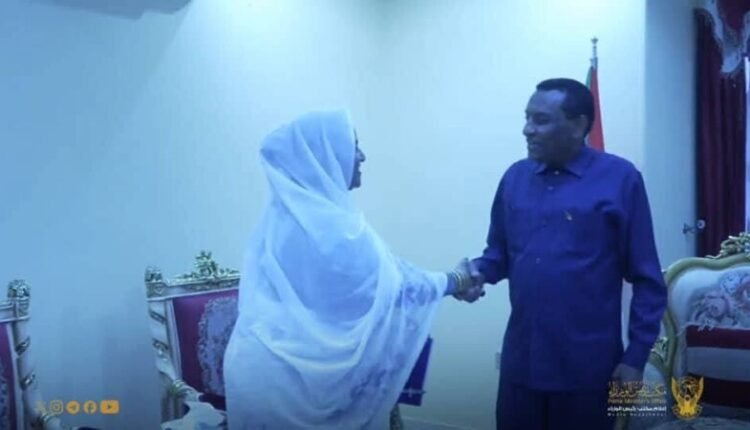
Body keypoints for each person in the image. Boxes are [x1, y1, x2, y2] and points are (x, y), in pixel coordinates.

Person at [223, 110, 482, 430]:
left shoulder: (282, 219)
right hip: (293, 386)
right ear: (325, 155)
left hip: (264, 374)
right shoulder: (333, 227)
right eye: (353, 145)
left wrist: (453, 281)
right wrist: (457, 280)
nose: (362, 156)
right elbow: (396, 286)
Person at [466, 78, 668, 429]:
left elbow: (647, 279)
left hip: (588, 372)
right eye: (527, 118)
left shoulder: (621, 179)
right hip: (521, 366)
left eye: (541, 120)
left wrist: (635, 358)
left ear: (577, 125)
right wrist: (476, 273)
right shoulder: (515, 178)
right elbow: (498, 255)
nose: (527, 129)